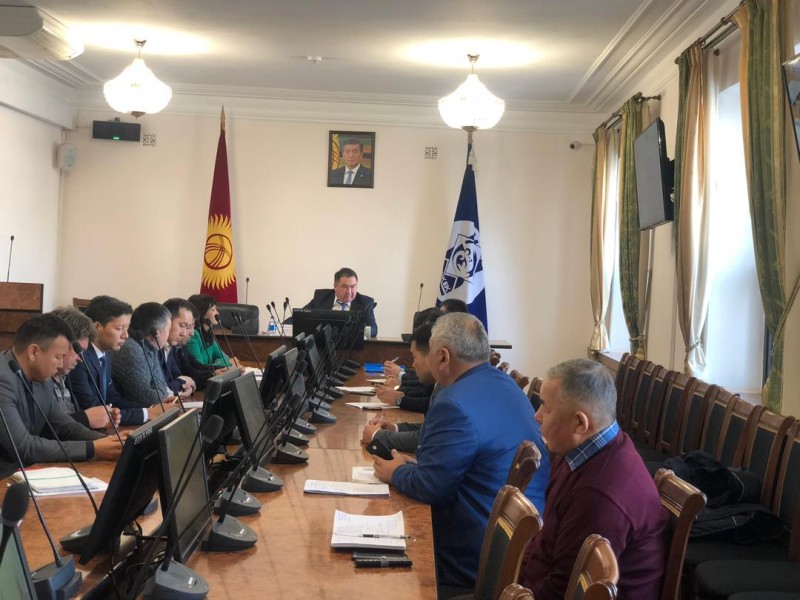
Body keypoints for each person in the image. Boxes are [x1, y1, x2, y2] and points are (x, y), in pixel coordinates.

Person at [373, 313, 549, 590]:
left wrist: (396, 472)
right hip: (514, 545)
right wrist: (415, 467)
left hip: (471, 557)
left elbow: (430, 487)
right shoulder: (504, 384)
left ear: (443, 357)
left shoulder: (453, 403)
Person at [519, 359, 668, 598]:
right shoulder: (581, 453)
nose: (537, 416)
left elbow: (565, 589)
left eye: (545, 407)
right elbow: (544, 542)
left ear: (580, 423)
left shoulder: (599, 496)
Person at [0, 314, 124, 478]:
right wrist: (93, 448)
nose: (60, 365)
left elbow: (64, 426)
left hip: (28, 474)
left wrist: (113, 442)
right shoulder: (3, 379)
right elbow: (24, 447)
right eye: (58, 357)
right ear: (34, 352)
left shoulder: (41, 377)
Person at [69, 295, 161, 425]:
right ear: (97, 327)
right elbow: (93, 409)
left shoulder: (105, 355)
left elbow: (112, 398)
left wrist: (152, 409)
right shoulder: (80, 359)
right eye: (119, 328)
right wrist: (147, 414)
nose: (126, 335)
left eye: (127, 328)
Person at [361, 317, 439, 453]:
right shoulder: (443, 386)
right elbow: (430, 430)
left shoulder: (450, 394)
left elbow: (429, 439)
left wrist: (376, 436)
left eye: (414, 357)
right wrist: (395, 428)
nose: (413, 364)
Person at [49, 307, 121, 430]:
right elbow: (45, 429)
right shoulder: (40, 379)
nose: (81, 359)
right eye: (78, 351)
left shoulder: (64, 377)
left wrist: (101, 425)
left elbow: (71, 427)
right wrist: (86, 419)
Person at [112, 302, 175, 407]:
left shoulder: (150, 347)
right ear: (156, 334)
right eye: (168, 329)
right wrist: (163, 393)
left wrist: (161, 392)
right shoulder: (130, 350)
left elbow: (162, 385)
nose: (168, 335)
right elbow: (149, 399)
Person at [301, 267, 378, 337]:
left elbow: (374, 330)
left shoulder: (365, 303)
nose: (349, 291)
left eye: (352, 286)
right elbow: (301, 315)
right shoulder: (321, 297)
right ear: (335, 286)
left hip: (351, 345)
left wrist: (354, 331)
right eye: (344, 286)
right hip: (323, 344)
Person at [162, 298, 216, 392]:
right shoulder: (157, 349)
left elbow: (182, 376)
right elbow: (161, 390)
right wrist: (184, 383)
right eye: (183, 326)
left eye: (189, 327)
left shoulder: (171, 347)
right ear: (167, 322)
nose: (188, 333)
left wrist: (215, 372)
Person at [186, 294, 240, 368]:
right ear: (201, 313)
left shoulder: (207, 334)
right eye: (213, 310)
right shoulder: (193, 335)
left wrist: (221, 362)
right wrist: (220, 363)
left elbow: (225, 358)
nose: (217, 313)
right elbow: (199, 367)